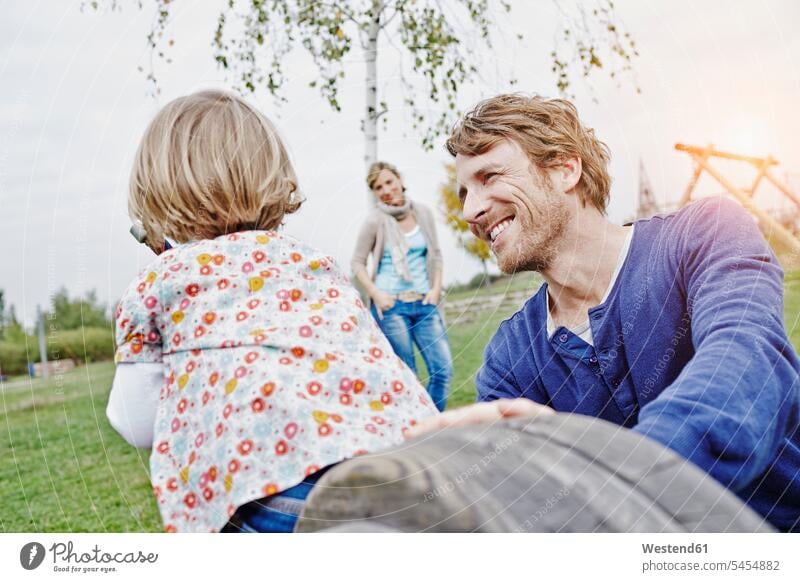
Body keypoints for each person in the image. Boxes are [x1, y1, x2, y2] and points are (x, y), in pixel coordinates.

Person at [407, 93, 800, 532]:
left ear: (564, 169)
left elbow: (747, 363)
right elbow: (517, 509)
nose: (469, 211)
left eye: (490, 176)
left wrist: (602, 473)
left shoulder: (704, 235)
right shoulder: (511, 357)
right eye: (464, 192)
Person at [106, 90, 438, 533]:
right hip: (406, 462)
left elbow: (135, 423)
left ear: (157, 188)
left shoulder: (161, 281)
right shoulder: (314, 263)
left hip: (279, 493)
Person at [352, 162, 453, 411]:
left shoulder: (423, 214)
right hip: (391, 307)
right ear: (374, 193)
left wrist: (436, 289)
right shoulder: (375, 221)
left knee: (443, 370)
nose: (386, 190)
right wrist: (376, 295)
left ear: (399, 179)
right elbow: (357, 263)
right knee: (409, 379)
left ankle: (430, 426)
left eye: (388, 182)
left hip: (424, 302)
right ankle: (418, 433)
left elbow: (436, 255)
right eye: (378, 187)